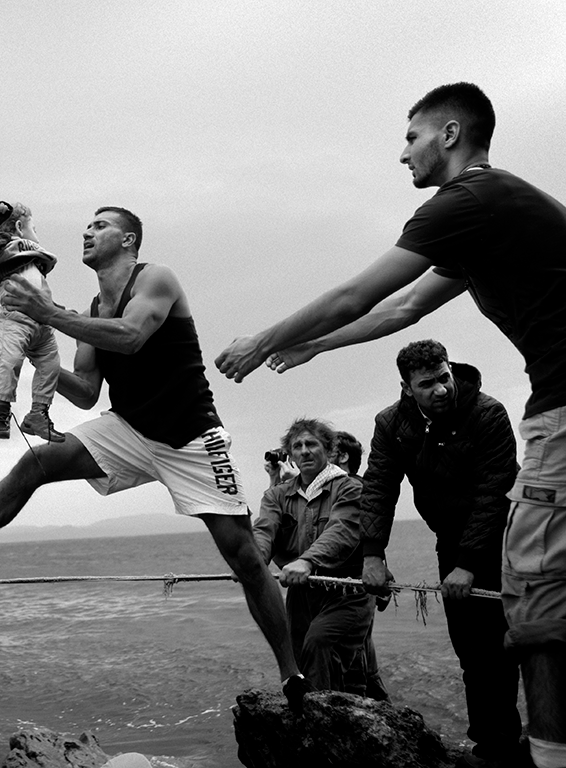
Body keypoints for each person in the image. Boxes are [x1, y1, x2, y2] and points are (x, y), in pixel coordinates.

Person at [213, 83, 563, 767]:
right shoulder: (488, 219)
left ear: (452, 134)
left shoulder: (466, 201)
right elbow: (399, 311)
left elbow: (356, 292)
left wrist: (259, 342)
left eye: (412, 137)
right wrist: (319, 344)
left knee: (536, 595)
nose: (402, 154)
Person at [0, 206, 309, 709]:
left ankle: (292, 675)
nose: (88, 232)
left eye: (100, 225)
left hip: (191, 435)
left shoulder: (155, 278)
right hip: (130, 427)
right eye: (86, 226)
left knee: (244, 556)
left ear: (129, 239)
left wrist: (50, 314)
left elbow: (133, 336)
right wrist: (35, 352)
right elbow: (87, 392)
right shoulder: (92, 309)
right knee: (36, 464)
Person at [357, 341, 522, 767]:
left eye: (444, 378)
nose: (441, 390)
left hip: (508, 536)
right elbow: (378, 487)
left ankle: (520, 742)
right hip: (450, 539)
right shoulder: (391, 424)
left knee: (513, 643)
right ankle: (492, 745)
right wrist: (372, 555)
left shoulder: (487, 412)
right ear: (407, 387)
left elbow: (495, 492)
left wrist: (468, 564)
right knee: (471, 648)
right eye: (427, 384)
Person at [253, 418, 374, 693]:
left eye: (312, 444)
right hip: (301, 592)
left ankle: (323, 721)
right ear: (291, 454)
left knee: (321, 643)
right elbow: (264, 530)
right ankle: (321, 715)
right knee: (299, 660)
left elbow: (342, 529)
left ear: (327, 449)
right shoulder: (277, 495)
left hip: (346, 590)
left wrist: (308, 561)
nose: (304, 451)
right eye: (297, 446)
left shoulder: (349, 487)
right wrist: (253, 561)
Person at [0, 201, 63, 442]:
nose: (37, 235)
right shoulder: (2, 247)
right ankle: (1, 412)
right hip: (15, 319)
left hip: (42, 323)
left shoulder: (34, 256)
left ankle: (38, 414)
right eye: (34, 228)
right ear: (19, 226)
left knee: (52, 363)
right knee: (12, 360)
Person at [333, 429, 389, 702]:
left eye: (326, 449)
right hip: (353, 585)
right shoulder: (346, 487)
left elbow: (368, 533)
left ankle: (369, 719)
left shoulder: (353, 488)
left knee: (354, 661)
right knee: (362, 653)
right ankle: (384, 715)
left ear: (342, 456)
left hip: (353, 586)